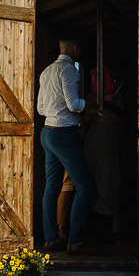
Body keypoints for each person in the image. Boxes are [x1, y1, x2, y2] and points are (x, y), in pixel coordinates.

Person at [37, 39, 94, 254]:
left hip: (48, 132)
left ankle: (51, 239)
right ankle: (76, 241)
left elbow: (41, 109)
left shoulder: (46, 71)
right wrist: (90, 102)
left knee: (51, 188)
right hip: (64, 134)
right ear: (75, 48)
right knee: (84, 187)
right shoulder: (69, 70)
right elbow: (74, 105)